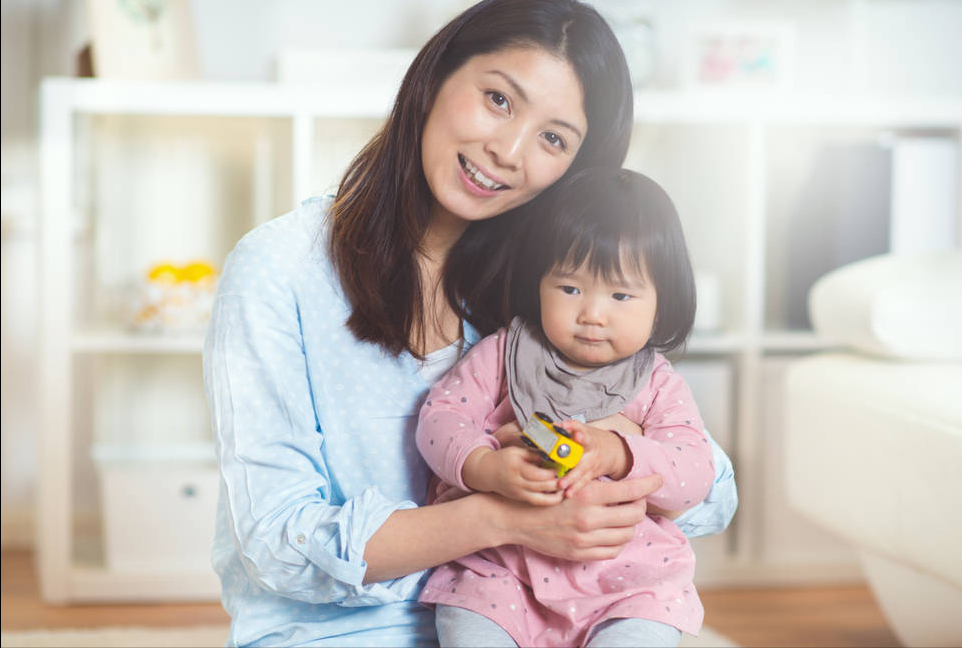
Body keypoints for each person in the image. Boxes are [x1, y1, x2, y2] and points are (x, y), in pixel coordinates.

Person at [203, 1, 737, 646]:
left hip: (553, 622)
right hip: (345, 631)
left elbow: (715, 494)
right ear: (434, 77)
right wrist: (502, 518)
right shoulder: (280, 269)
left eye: (554, 139)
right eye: (498, 99)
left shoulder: (553, 290)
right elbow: (276, 543)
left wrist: (616, 438)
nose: (507, 152)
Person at [417, 168, 711, 648]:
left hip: (626, 584)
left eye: (620, 295)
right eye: (570, 288)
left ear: (661, 302)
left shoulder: (656, 383)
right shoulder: (504, 353)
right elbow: (439, 419)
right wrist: (483, 466)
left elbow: (695, 471)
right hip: (501, 574)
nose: (592, 314)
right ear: (539, 283)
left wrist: (618, 452)